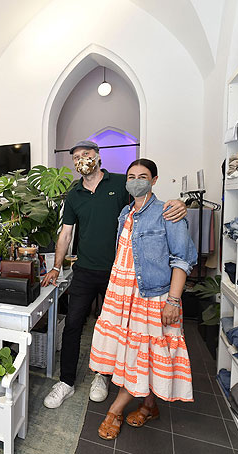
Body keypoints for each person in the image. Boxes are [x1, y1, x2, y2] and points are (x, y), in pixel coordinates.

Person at [41, 141, 187, 408]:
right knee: (74, 324)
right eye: (75, 157)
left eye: (86, 155)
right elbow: (66, 233)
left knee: (113, 328)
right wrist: (55, 266)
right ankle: (67, 381)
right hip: (84, 270)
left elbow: (147, 206)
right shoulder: (73, 194)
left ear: (97, 157)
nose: (81, 160)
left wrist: (178, 203)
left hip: (121, 275)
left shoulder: (121, 183)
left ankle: (102, 375)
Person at [89, 158, 197, 440]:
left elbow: (183, 259)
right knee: (135, 354)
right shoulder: (125, 212)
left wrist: (173, 300)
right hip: (120, 293)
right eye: (131, 175)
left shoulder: (167, 212)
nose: (136, 180)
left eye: (143, 176)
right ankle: (149, 405)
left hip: (151, 295)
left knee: (140, 353)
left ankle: (114, 411)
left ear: (155, 180)